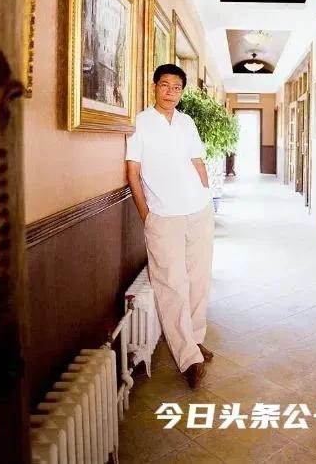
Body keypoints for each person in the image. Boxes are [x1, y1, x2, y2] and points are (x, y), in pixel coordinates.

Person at [125, 64, 215, 389]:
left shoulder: (186, 122)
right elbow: (133, 172)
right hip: (163, 216)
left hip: (198, 210)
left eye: (177, 88)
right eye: (165, 85)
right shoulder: (140, 122)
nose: (170, 92)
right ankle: (188, 358)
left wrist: (206, 194)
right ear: (154, 86)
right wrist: (146, 215)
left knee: (198, 279)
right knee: (171, 285)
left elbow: (198, 162)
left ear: (181, 92)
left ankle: (195, 340)